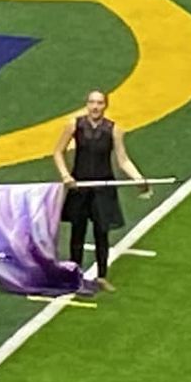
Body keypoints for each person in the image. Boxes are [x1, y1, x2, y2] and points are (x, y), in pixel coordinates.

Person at [52, 89, 151, 292]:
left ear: (105, 105)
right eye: (92, 102)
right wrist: (65, 176)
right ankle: (76, 276)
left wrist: (138, 179)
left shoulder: (114, 130)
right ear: (87, 104)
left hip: (103, 187)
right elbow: (57, 152)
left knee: (101, 233)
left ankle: (102, 276)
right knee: (77, 232)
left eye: (99, 103)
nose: (95, 107)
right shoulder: (74, 125)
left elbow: (123, 160)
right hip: (79, 186)